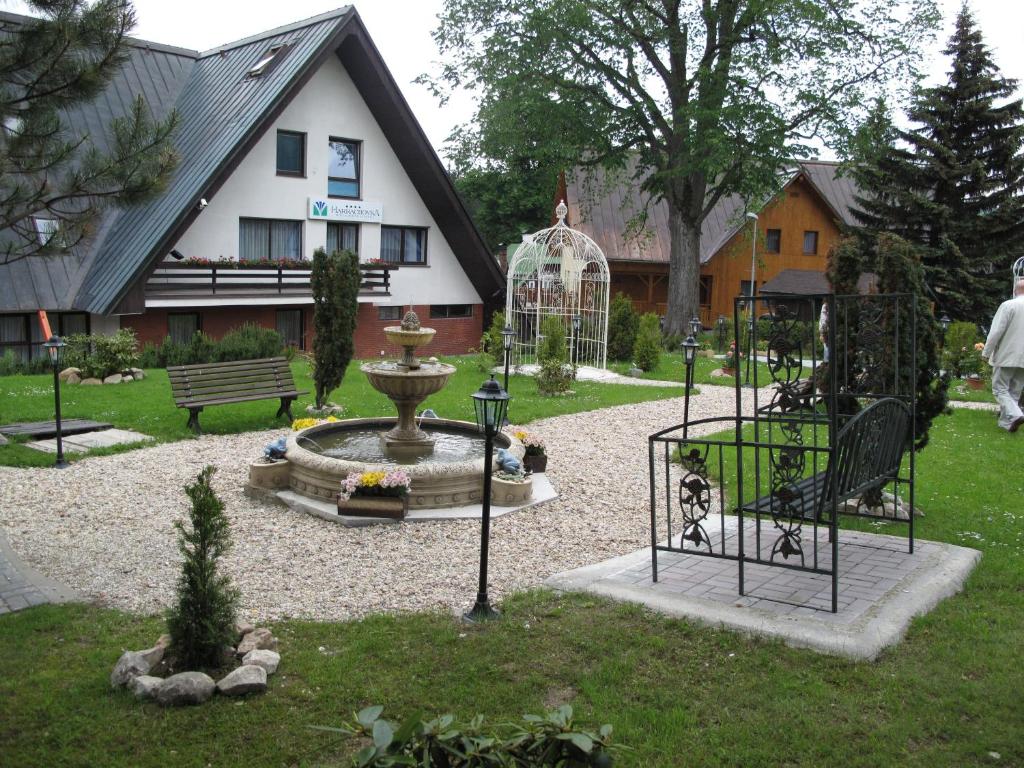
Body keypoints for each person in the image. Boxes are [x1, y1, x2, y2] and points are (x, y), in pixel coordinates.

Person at [981, 278, 1024, 432]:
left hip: (1007, 355)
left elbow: (996, 331)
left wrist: (986, 353)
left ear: (1015, 290)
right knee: (1014, 391)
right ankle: (1006, 423)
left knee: (1000, 389)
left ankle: (1016, 414)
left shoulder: (1008, 305)